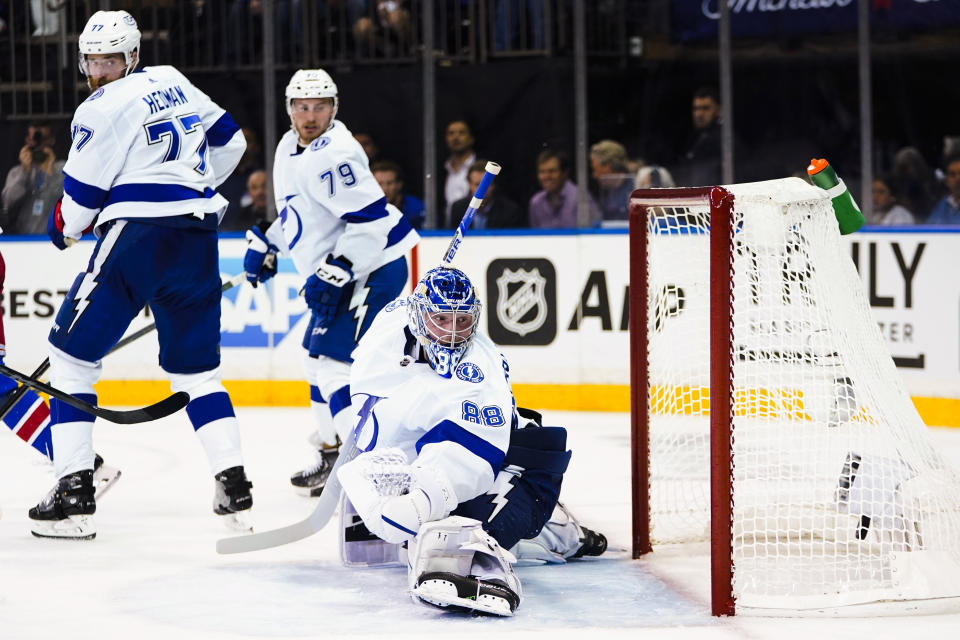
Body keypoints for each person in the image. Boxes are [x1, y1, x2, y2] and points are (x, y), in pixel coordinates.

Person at [32, 10, 252, 540]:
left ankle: (74, 495)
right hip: (197, 237)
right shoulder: (172, 78)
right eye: (95, 60)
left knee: (71, 358)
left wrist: (60, 231)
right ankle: (233, 482)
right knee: (198, 374)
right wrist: (187, 186)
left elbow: (79, 203)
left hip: (137, 241)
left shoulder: (98, 107)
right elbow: (232, 141)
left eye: (110, 60)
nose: (102, 70)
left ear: (131, 56)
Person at [337, 266, 607, 616]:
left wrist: (418, 503)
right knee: (435, 519)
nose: (451, 333)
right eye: (441, 319)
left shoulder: (480, 375)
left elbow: (471, 459)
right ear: (417, 315)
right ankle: (552, 531)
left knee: (456, 525)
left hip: (513, 463)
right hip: (451, 452)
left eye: (462, 321)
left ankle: (556, 534)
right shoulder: (395, 320)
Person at [243, 68, 419, 497]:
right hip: (348, 271)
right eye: (302, 107)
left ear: (334, 109)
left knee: (335, 366)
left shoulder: (336, 154)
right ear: (289, 110)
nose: (310, 116)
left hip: (375, 268)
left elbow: (373, 222)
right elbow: (302, 218)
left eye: (320, 107)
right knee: (313, 361)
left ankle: (368, 470)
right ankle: (332, 452)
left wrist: (336, 268)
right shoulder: (289, 146)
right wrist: (269, 242)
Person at [2, 121, 66, 234]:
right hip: (21, 239)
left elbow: (69, 200)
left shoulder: (63, 169)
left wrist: (52, 174)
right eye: (34, 141)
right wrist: (24, 172)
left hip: (53, 237)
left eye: (44, 140)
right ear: (27, 141)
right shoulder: (17, 172)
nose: (39, 146)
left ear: (52, 140)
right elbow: (8, 203)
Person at [527, 149, 598, 229]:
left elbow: (593, 235)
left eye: (552, 171)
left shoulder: (581, 198)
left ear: (564, 173)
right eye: (542, 172)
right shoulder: (536, 203)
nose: (546, 177)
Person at [448, 159, 525, 228]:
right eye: (477, 184)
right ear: (469, 185)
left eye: (485, 185)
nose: (481, 190)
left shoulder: (509, 211)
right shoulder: (458, 208)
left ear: (493, 185)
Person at [675, 86, 722, 187]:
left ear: (718, 110)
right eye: (696, 109)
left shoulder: (723, 140)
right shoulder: (694, 138)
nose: (699, 114)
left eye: (705, 108)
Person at [372, 159, 425, 229]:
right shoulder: (363, 209)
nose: (385, 189)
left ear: (399, 184)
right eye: (379, 184)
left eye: (390, 183)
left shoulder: (415, 207)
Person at [441, 119, 476, 227]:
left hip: (473, 232)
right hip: (446, 233)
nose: (456, 137)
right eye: (451, 133)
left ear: (471, 138)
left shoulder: (482, 169)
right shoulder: (442, 171)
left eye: (461, 133)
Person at [589, 139, 634, 222]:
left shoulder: (637, 187)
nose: (594, 175)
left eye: (595, 169)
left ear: (607, 166)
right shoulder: (602, 193)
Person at [927, 154, 960, 224]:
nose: (958, 179)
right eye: (952, 175)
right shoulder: (942, 205)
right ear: (947, 180)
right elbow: (929, 229)